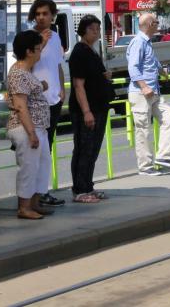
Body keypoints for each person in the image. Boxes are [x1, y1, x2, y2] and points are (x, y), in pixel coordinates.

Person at [6, 30, 54, 219]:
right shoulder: (18, 73)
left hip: (37, 127)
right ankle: (24, 207)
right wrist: (31, 133)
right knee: (29, 166)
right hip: (26, 127)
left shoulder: (25, 72)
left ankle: (34, 203)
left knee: (41, 165)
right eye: (37, 49)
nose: (40, 52)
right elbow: (20, 105)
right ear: (29, 51)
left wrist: (41, 86)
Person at [68, 15, 115, 203]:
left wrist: (105, 76)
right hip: (86, 110)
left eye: (97, 29)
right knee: (84, 148)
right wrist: (86, 111)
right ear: (83, 30)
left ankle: (88, 185)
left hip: (99, 106)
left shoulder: (92, 51)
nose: (95, 32)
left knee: (93, 149)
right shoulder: (79, 52)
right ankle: (79, 189)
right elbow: (79, 85)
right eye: (92, 29)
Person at [127, 13, 170, 175]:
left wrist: (162, 71)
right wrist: (143, 87)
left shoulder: (147, 42)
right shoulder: (138, 42)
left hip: (153, 91)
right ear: (149, 24)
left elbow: (151, 61)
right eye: (156, 22)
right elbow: (133, 67)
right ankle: (145, 167)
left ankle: (163, 156)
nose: (158, 25)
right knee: (143, 129)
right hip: (142, 92)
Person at [28, 0, 65, 208]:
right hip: (36, 100)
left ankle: (43, 190)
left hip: (53, 98)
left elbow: (57, 65)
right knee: (37, 149)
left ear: (52, 16)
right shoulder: (29, 37)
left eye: (45, 13)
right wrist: (40, 43)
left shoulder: (56, 36)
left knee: (47, 147)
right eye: (38, 13)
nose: (41, 17)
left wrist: (62, 88)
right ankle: (34, 194)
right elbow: (25, 63)